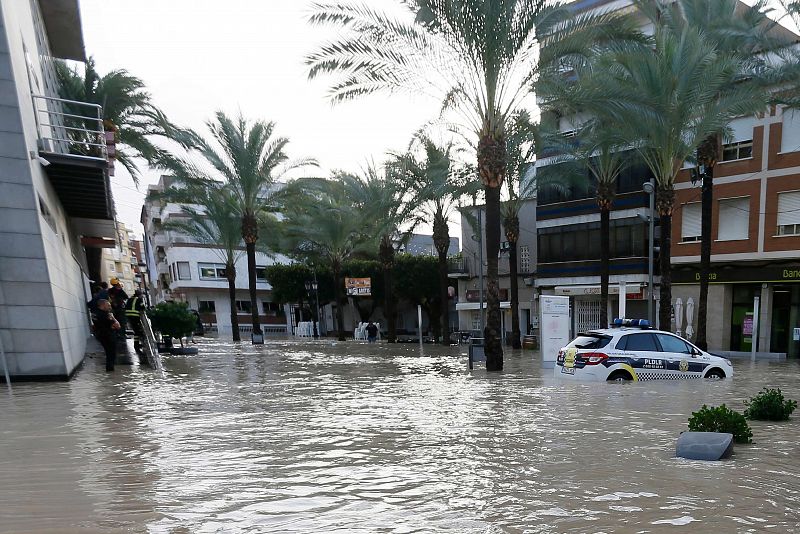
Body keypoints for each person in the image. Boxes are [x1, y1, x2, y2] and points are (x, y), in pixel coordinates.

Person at [94, 299, 121, 371]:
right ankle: (110, 373)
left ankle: (109, 373)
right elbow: (118, 326)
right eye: (108, 305)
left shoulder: (95, 313)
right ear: (102, 305)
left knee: (108, 353)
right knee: (111, 355)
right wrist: (113, 318)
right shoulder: (106, 314)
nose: (110, 307)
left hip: (100, 335)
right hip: (108, 336)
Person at [124, 289, 145, 354]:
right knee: (137, 331)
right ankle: (136, 345)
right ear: (140, 294)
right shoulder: (139, 299)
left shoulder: (130, 299)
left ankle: (137, 344)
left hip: (128, 315)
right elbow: (142, 307)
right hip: (135, 316)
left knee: (136, 330)